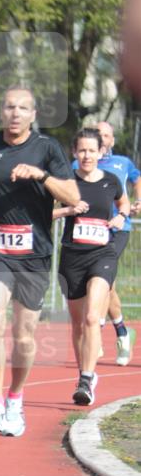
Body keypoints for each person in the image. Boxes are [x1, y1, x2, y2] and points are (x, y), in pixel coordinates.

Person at [0, 87, 79, 437]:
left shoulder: (48, 149)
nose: (15, 113)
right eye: (9, 106)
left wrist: (42, 176)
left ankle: (16, 399)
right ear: (1, 111)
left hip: (34, 251)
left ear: (33, 115)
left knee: (25, 333)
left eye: (23, 108)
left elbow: (73, 197)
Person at [55, 128, 129, 405]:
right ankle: (84, 374)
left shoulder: (111, 181)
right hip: (72, 256)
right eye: (82, 150)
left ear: (101, 153)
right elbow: (42, 213)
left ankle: (86, 379)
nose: (87, 155)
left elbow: (123, 202)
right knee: (77, 323)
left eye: (92, 150)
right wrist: (67, 210)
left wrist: (121, 216)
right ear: (75, 153)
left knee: (91, 318)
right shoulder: (65, 182)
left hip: (102, 254)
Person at [93, 121, 140, 366]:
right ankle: (123, 332)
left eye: (106, 135)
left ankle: (97, 333)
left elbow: (137, 178)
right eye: (98, 133)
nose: (102, 138)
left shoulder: (122, 162)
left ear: (111, 140)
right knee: (106, 283)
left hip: (119, 227)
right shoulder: (82, 162)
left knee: (103, 277)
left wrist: (138, 200)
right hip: (90, 230)